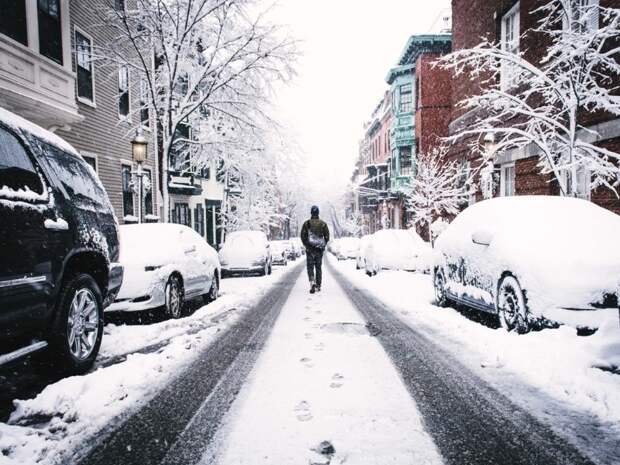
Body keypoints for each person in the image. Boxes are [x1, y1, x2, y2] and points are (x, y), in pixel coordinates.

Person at [300, 205, 330, 294]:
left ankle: (312, 282)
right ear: (318, 213)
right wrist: (323, 244)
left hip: (310, 250)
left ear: (311, 213)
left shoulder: (306, 223)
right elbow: (327, 236)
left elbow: (303, 236)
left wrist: (307, 245)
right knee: (318, 267)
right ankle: (318, 285)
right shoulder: (323, 224)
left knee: (310, 267)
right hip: (319, 250)